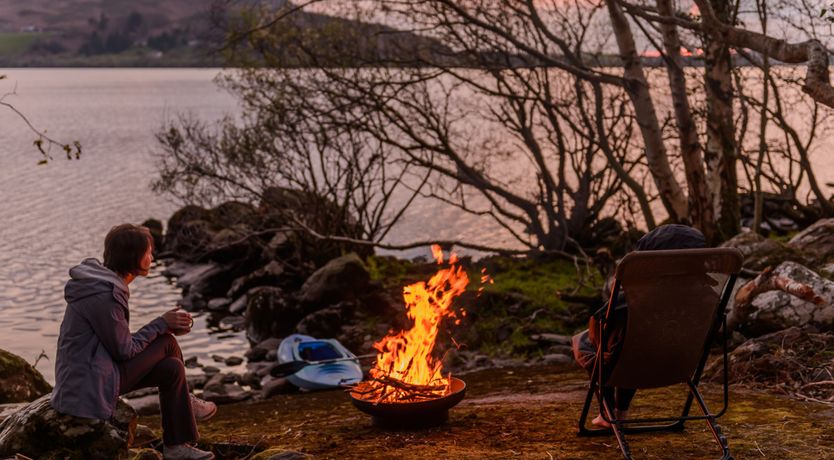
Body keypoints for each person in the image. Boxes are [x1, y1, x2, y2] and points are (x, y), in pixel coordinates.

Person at [51, 224, 217, 460]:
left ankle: (176, 446)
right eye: (148, 252)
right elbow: (123, 350)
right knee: (166, 342)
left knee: (172, 368)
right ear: (133, 257)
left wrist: (163, 325)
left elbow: (117, 344)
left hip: (94, 373)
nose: (152, 257)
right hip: (87, 386)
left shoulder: (101, 285)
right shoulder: (104, 295)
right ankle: (186, 404)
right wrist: (161, 324)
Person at [571, 224, 707, 428]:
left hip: (634, 366)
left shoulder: (635, 297)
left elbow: (597, 323)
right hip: (681, 365)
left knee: (588, 343)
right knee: (630, 343)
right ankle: (620, 412)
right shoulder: (704, 294)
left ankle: (608, 414)